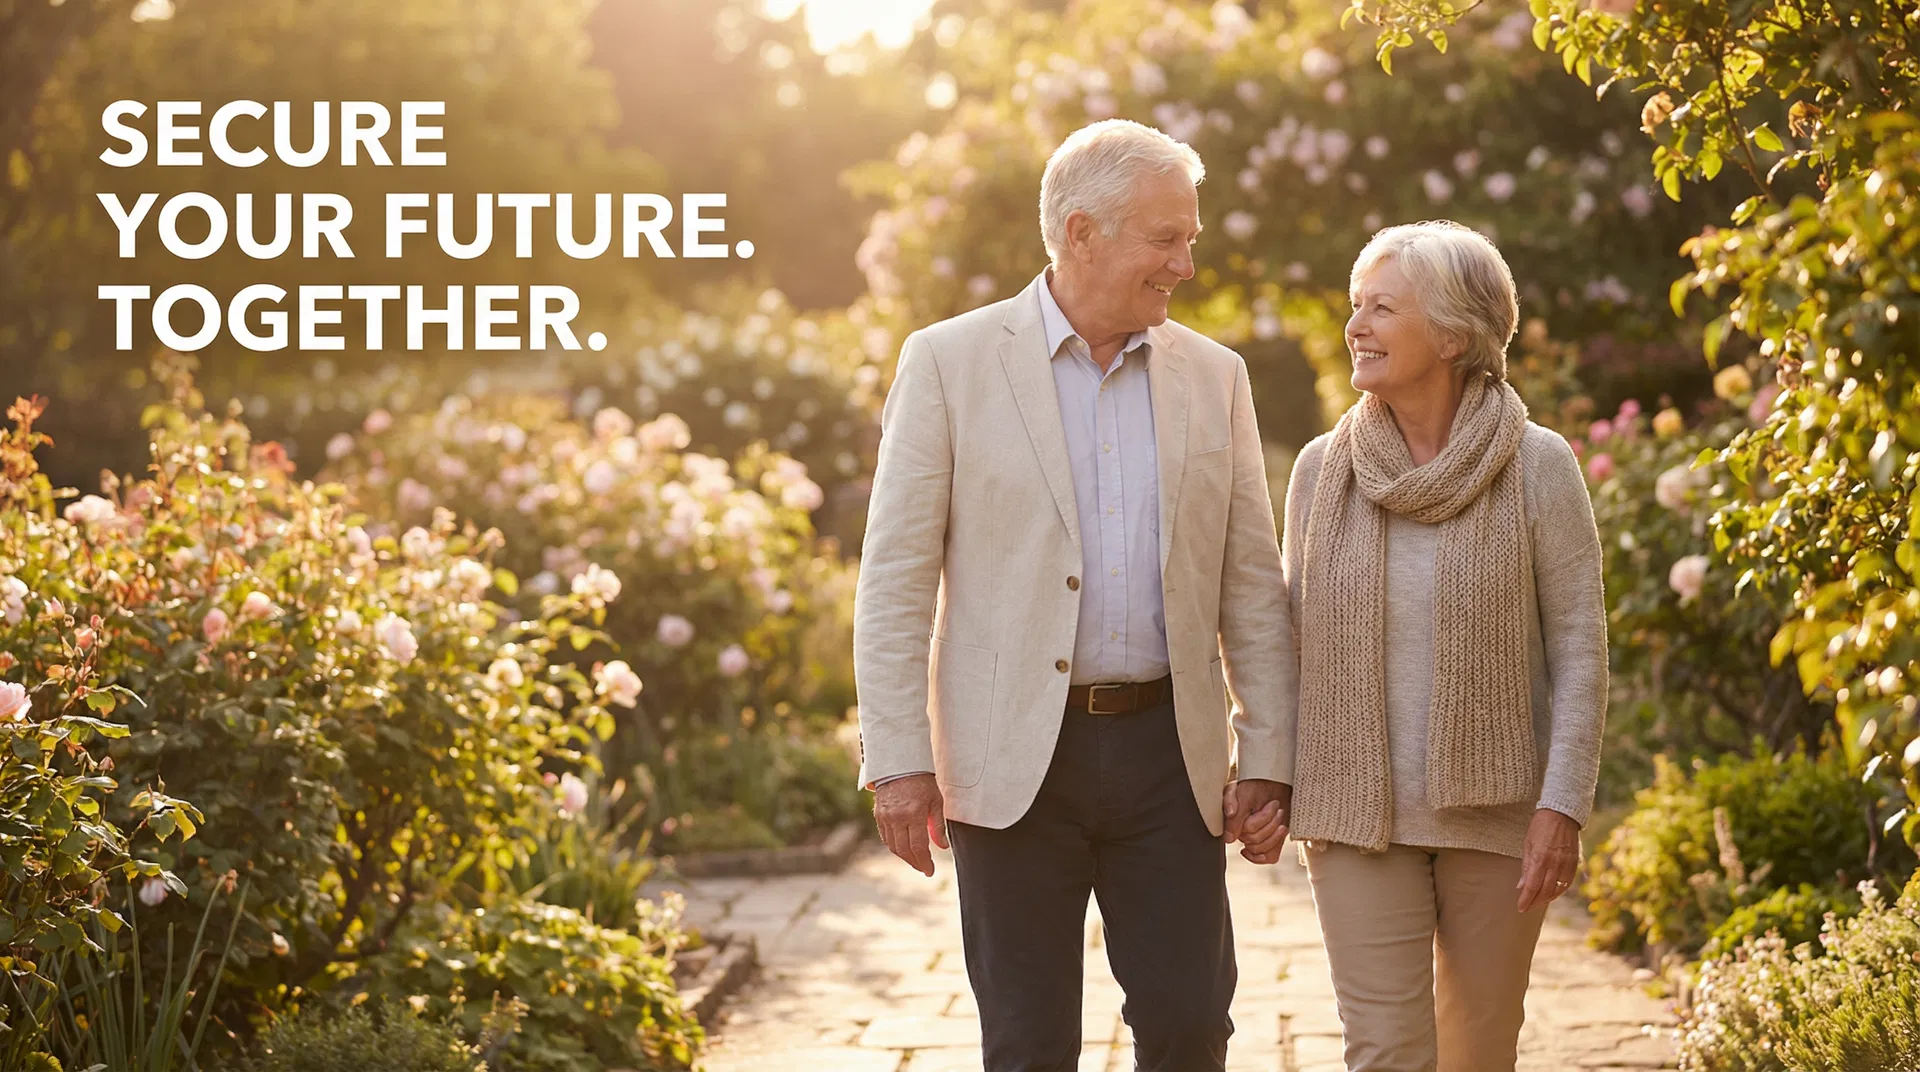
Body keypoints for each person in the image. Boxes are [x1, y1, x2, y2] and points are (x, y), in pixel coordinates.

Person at [852, 118, 1296, 1072]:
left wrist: (1269, 751)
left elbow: (1251, 580)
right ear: (1082, 232)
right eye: (1165, 237)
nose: (1185, 262)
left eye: (1189, 237)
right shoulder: (947, 362)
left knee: (1188, 1030)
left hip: (1166, 761)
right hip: (1011, 762)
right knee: (1027, 1045)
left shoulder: (1216, 377)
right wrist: (896, 760)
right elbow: (893, 579)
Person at [1280, 220, 1608, 1071]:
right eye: (1357, 306)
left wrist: (1562, 806)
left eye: (1382, 308)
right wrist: (1264, 773)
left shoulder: (1539, 466)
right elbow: (1287, 641)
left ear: (1456, 334)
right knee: (1384, 1052)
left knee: (1478, 1050)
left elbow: (1580, 647)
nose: (1356, 325)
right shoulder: (1322, 471)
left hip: (1498, 819)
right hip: (1354, 813)